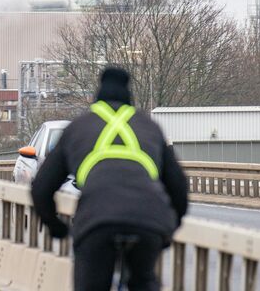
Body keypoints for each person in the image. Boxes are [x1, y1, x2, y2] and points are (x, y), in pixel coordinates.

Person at [31, 67, 188, 291]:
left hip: (97, 220)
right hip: (148, 219)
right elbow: (179, 187)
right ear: (129, 95)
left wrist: (55, 226)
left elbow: (41, 188)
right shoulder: (149, 127)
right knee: (144, 279)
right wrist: (170, 227)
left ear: (98, 93)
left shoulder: (79, 127)